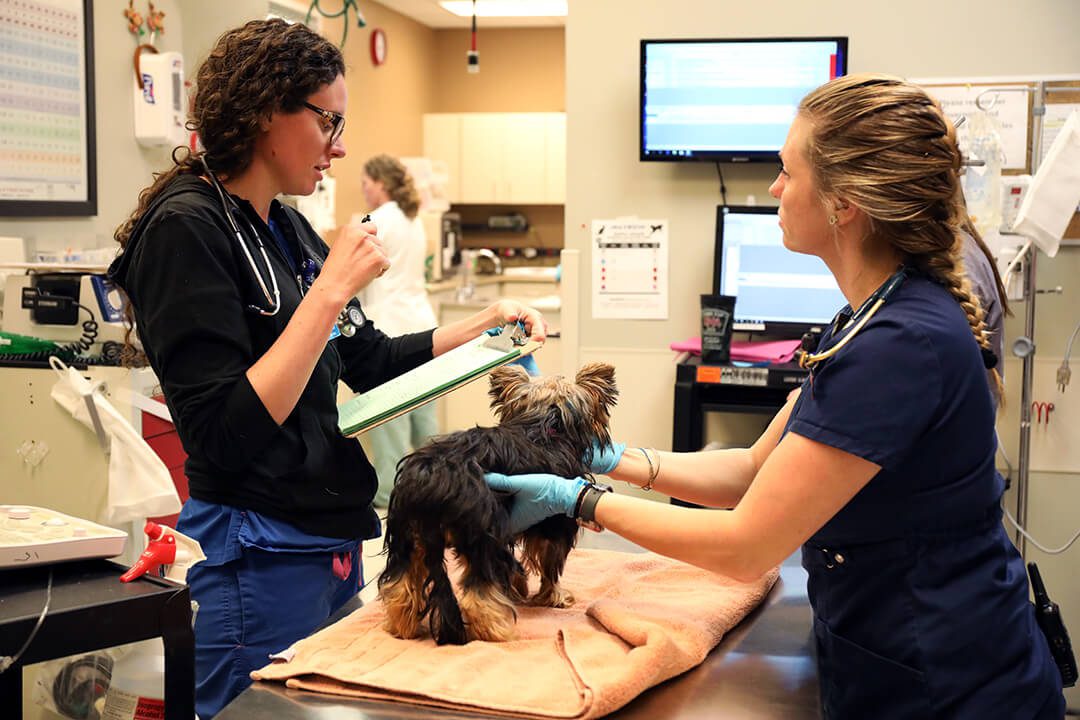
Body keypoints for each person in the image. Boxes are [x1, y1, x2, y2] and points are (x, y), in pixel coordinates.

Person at [484, 74, 1064, 718]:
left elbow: (745, 546)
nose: (774, 189)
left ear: (845, 203)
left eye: (787, 171)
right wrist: (604, 455)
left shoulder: (899, 346)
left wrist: (579, 500)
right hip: (898, 656)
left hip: (948, 683)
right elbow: (754, 470)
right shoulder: (865, 321)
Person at [107, 20, 545, 719]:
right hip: (256, 550)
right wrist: (331, 291)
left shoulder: (283, 227)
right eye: (327, 122)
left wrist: (480, 332)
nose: (339, 147)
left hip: (328, 541)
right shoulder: (186, 230)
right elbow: (223, 432)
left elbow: (367, 360)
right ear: (264, 113)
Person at [354, 154, 439, 507]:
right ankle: (439, 489)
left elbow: (356, 272)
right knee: (425, 424)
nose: (363, 189)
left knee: (390, 423)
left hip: (388, 327)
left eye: (366, 183)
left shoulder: (374, 221)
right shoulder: (412, 218)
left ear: (381, 184)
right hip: (421, 322)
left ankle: (389, 495)